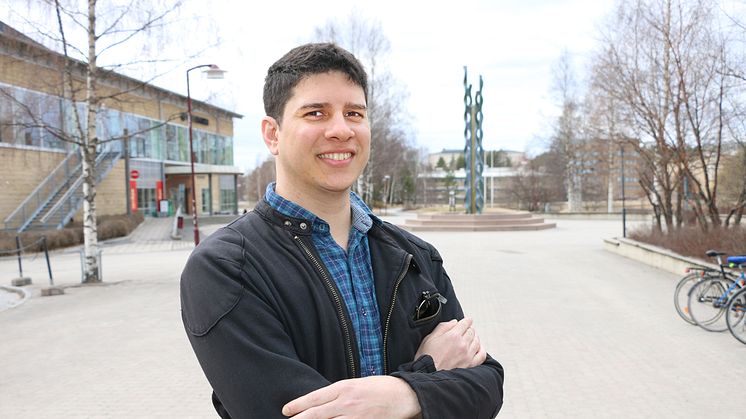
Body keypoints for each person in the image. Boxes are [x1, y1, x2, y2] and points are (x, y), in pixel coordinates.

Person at [180, 42, 504, 418]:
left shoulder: (414, 256)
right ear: (272, 134)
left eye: (354, 113)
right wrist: (425, 376)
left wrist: (403, 394)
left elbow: (486, 385)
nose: (341, 130)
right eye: (316, 113)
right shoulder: (226, 268)